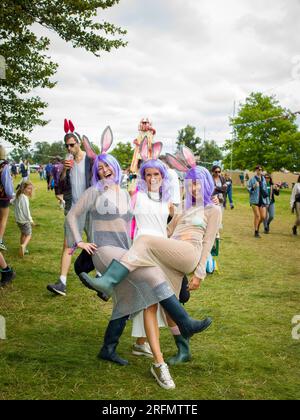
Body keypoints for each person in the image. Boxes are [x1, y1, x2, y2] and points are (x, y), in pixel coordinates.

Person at [79, 146, 221, 390]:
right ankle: (178, 350)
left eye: (198, 183)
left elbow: (208, 242)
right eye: (190, 183)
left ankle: (108, 281)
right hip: (168, 255)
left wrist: (199, 273)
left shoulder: (212, 209)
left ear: (207, 184)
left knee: (144, 242)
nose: (193, 188)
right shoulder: (182, 206)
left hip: (188, 255)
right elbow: (167, 232)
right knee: (158, 302)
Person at [46, 119, 94, 296]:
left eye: (72, 145)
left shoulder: (90, 160)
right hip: (74, 209)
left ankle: (103, 278)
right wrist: (65, 170)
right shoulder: (67, 162)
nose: (69, 149)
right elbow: (60, 184)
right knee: (68, 244)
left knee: (98, 241)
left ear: (79, 143)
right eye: (66, 146)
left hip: (90, 208)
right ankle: (62, 283)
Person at [13, 181, 35, 257]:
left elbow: (12, 202)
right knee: (29, 235)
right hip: (24, 220)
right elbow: (26, 211)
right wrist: (31, 220)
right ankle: (23, 246)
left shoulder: (18, 195)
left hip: (18, 220)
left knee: (23, 233)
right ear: (23, 188)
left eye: (31, 189)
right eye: (28, 188)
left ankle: (22, 248)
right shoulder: (24, 198)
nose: (30, 190)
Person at [247, 165, 269, 238]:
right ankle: (256, 232)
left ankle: (257, 226)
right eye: (258, 169)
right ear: (256, 170)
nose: (259, 170)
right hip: (254, 200)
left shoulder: (263, 179)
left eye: (261, 169)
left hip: (262, 200)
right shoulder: (252, 179)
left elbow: (265, 191)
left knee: (263, 217)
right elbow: (248, 189)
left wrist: (267, 201)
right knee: (257, 216)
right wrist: (253, 187)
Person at [0, 146, 14, 251]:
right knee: (3, 219)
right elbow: (7, 184)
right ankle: (0, 240)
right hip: (3, 197)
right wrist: (11, 195)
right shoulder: (4, 166)